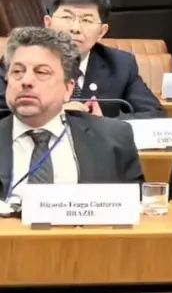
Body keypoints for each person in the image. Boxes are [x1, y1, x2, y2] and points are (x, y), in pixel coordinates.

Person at [0, 26, 143, 200]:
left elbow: (136, 206)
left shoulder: (113, 139)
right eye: (17, 72)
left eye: (41, 72)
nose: (26, 81)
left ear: (68, 89)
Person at [0, 0, 162, 119]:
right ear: (48, 23)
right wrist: (52, 117)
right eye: (67, 17)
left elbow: (154, 115)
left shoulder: (120, 64)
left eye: (87, 20)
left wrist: (104, 124)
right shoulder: (20, 60)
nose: (75, 28)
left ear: (102, 32)